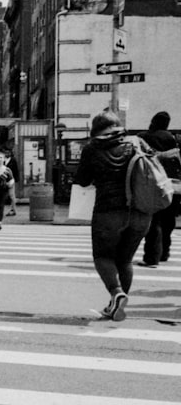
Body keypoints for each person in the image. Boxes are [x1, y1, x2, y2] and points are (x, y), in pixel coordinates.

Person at [73, 111, 153, 322]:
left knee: (103, 256)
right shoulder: (137, 142)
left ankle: (116, 293)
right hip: (140, 211)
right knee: (125, 260)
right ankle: (116, 305)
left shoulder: (92, 149)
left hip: (108, 212)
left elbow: (81, 180)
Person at [137, 111, 180, 266]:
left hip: (153, 183)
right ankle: (164, 253)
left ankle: (152, 257)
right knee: (168, 221)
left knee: (154, 221)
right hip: (172, 185)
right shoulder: (171, 139)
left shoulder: (144, 137)